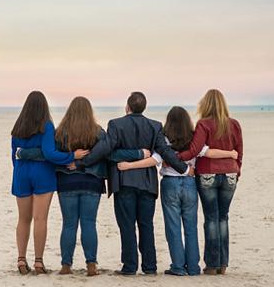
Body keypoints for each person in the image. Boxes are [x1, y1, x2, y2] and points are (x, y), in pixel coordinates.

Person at [17, 96, 144, 276]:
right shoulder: (98, 132)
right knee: (89, 223)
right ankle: (91, 265)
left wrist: (22, 153)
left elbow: (46, 154)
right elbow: (107, 152)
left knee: (69, 225)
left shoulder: (60, 132)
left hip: (67, 183)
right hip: (92, 181)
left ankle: (66, 266)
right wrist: (138, 154)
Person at [78, 92, 188, 275]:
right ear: (143, 108)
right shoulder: (155, 126)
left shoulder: (115, 124)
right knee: (146, 225)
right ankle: (149, 267)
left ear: (127, 107)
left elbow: (104, 150)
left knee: (127, 225)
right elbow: (165, 152)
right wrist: (183, 169)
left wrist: (82, 162)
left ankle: (129, 267)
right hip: (147, 184)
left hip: (124, 182)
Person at [118, 106, 236, 276]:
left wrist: (129, 165)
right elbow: (208, 152)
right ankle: (193, 268)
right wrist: (231, 154)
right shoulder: (194, 137)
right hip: (190, 184)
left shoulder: (164, 138)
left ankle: (178, 267)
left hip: (170, 184)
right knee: (191, 227)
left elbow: (153, 160)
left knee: (173, 228)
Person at [10, 91, 89, 274]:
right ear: (44, 106)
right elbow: (49, 153)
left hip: (21, 173)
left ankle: (21, 260)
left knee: (23, 219)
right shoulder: (46, 126)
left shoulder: (17, 128)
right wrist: (72, 156)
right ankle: (38, 262)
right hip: (42, 173)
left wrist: (21, 166)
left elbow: (14, 156)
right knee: (40, 218)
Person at [174, 89, 243, 275]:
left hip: (207, 174)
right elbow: (239, 152)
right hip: (230, 174)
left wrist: (175, 157)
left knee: (211, 218)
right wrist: (237, 173)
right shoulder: (234, 124)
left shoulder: (203, 124)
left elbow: (194, 150)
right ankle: (223, 264)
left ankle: (212, 264)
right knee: (223, 217)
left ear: (205, 104)